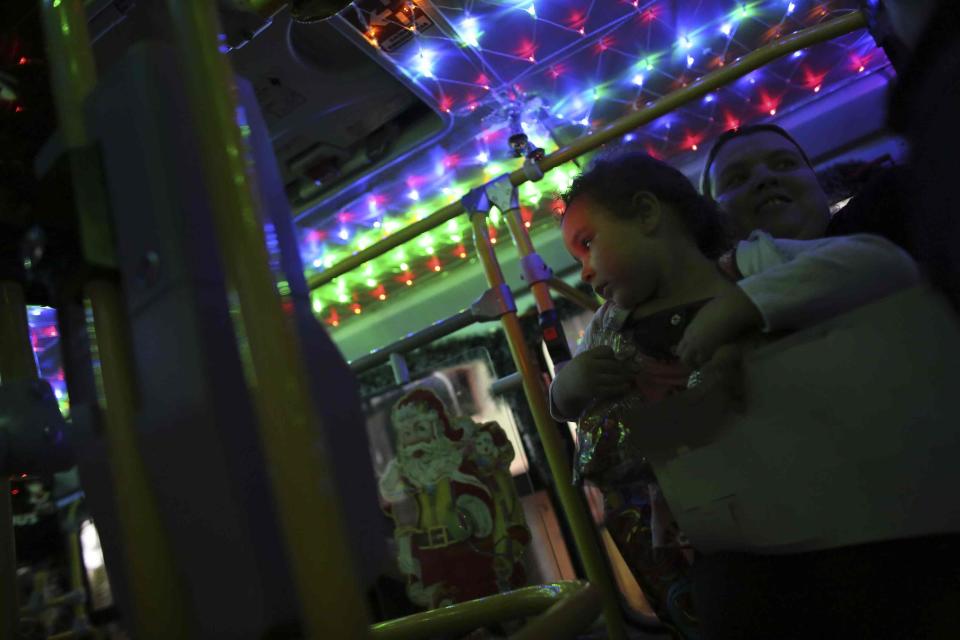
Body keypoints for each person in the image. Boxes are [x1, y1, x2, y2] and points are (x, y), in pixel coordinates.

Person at [549, 151, 919, 636]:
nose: (586, 272)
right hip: (716, 536)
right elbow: (568, 403)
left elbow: (884, 264)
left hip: (826, 486)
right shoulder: (608, 325)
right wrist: (568, 387)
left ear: (646, 213)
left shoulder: (753, 264)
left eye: (588, 243)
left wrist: (747, 304)